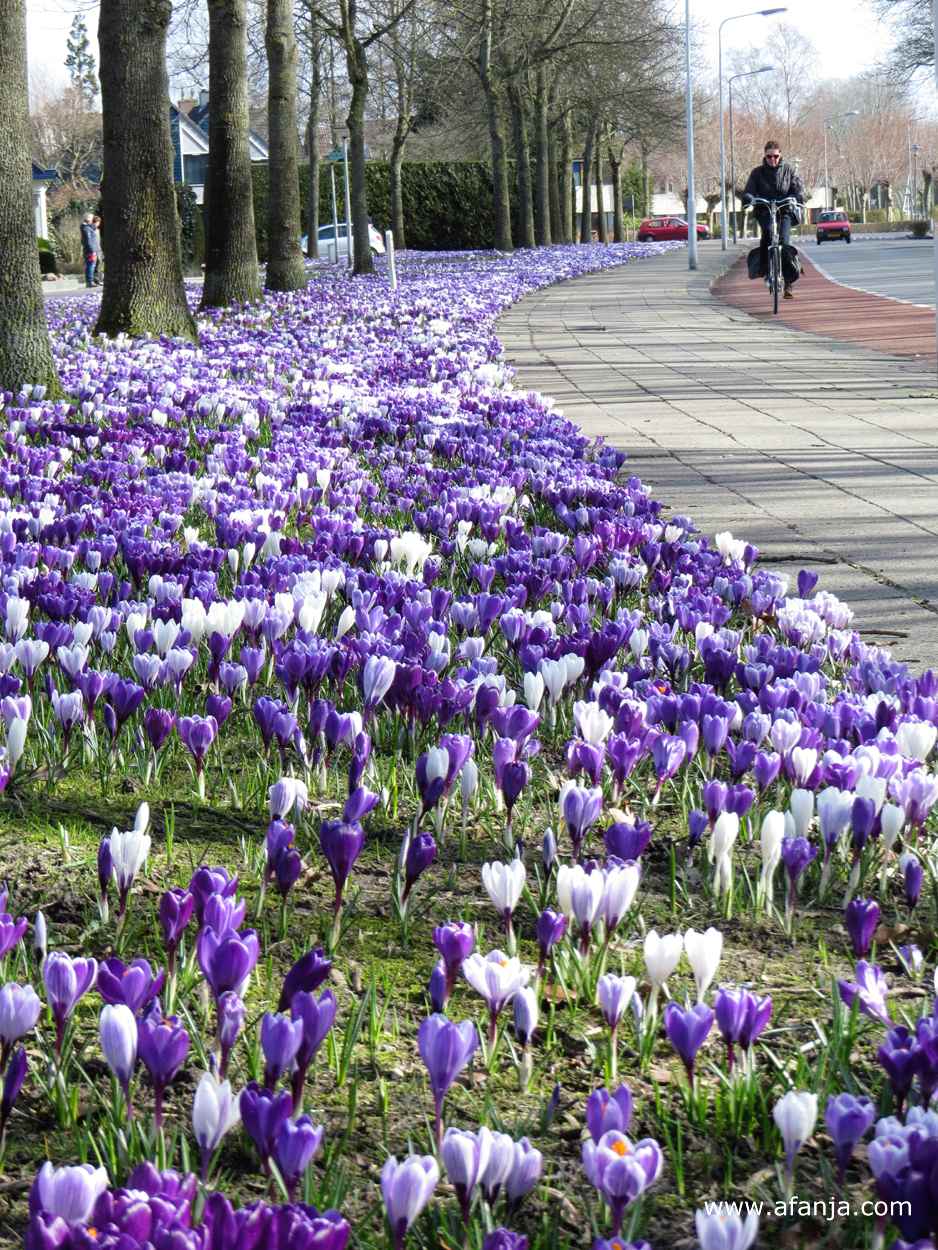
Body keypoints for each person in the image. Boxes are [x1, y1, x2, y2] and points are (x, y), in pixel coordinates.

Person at [742, 141, 805, 299]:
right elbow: (749, 190)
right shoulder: (757, 173)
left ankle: (789, 281)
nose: (772, 160)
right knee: (768, 234)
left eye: (776, 156)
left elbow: (798, 189)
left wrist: (796, 197)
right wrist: (750, 198)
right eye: (769, 156)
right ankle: (764, 268)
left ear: (780, 155)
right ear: (765, 156)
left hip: (784, 211)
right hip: (765, 210)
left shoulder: (789, 170)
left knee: (784, 242)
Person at [79, 213, 99, 289]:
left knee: (91, 265)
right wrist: (92, 250)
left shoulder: (87, 227)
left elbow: (93, 227)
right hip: (91, 250)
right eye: (92, 218)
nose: (93, 220)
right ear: (88, 219)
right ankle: (89, 282)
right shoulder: (86, 228)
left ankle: (91, 281)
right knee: (91, 265)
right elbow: (88, 241)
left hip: (90, 249)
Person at [91, 214, 103, 286]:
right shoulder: (91, 230)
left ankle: (98, 279)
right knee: (94, 265)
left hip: (98, 249)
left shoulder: (97, 230)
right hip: (94, 249)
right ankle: (95, 280)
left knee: (99, 264)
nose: (99, 224)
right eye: (98, 222)